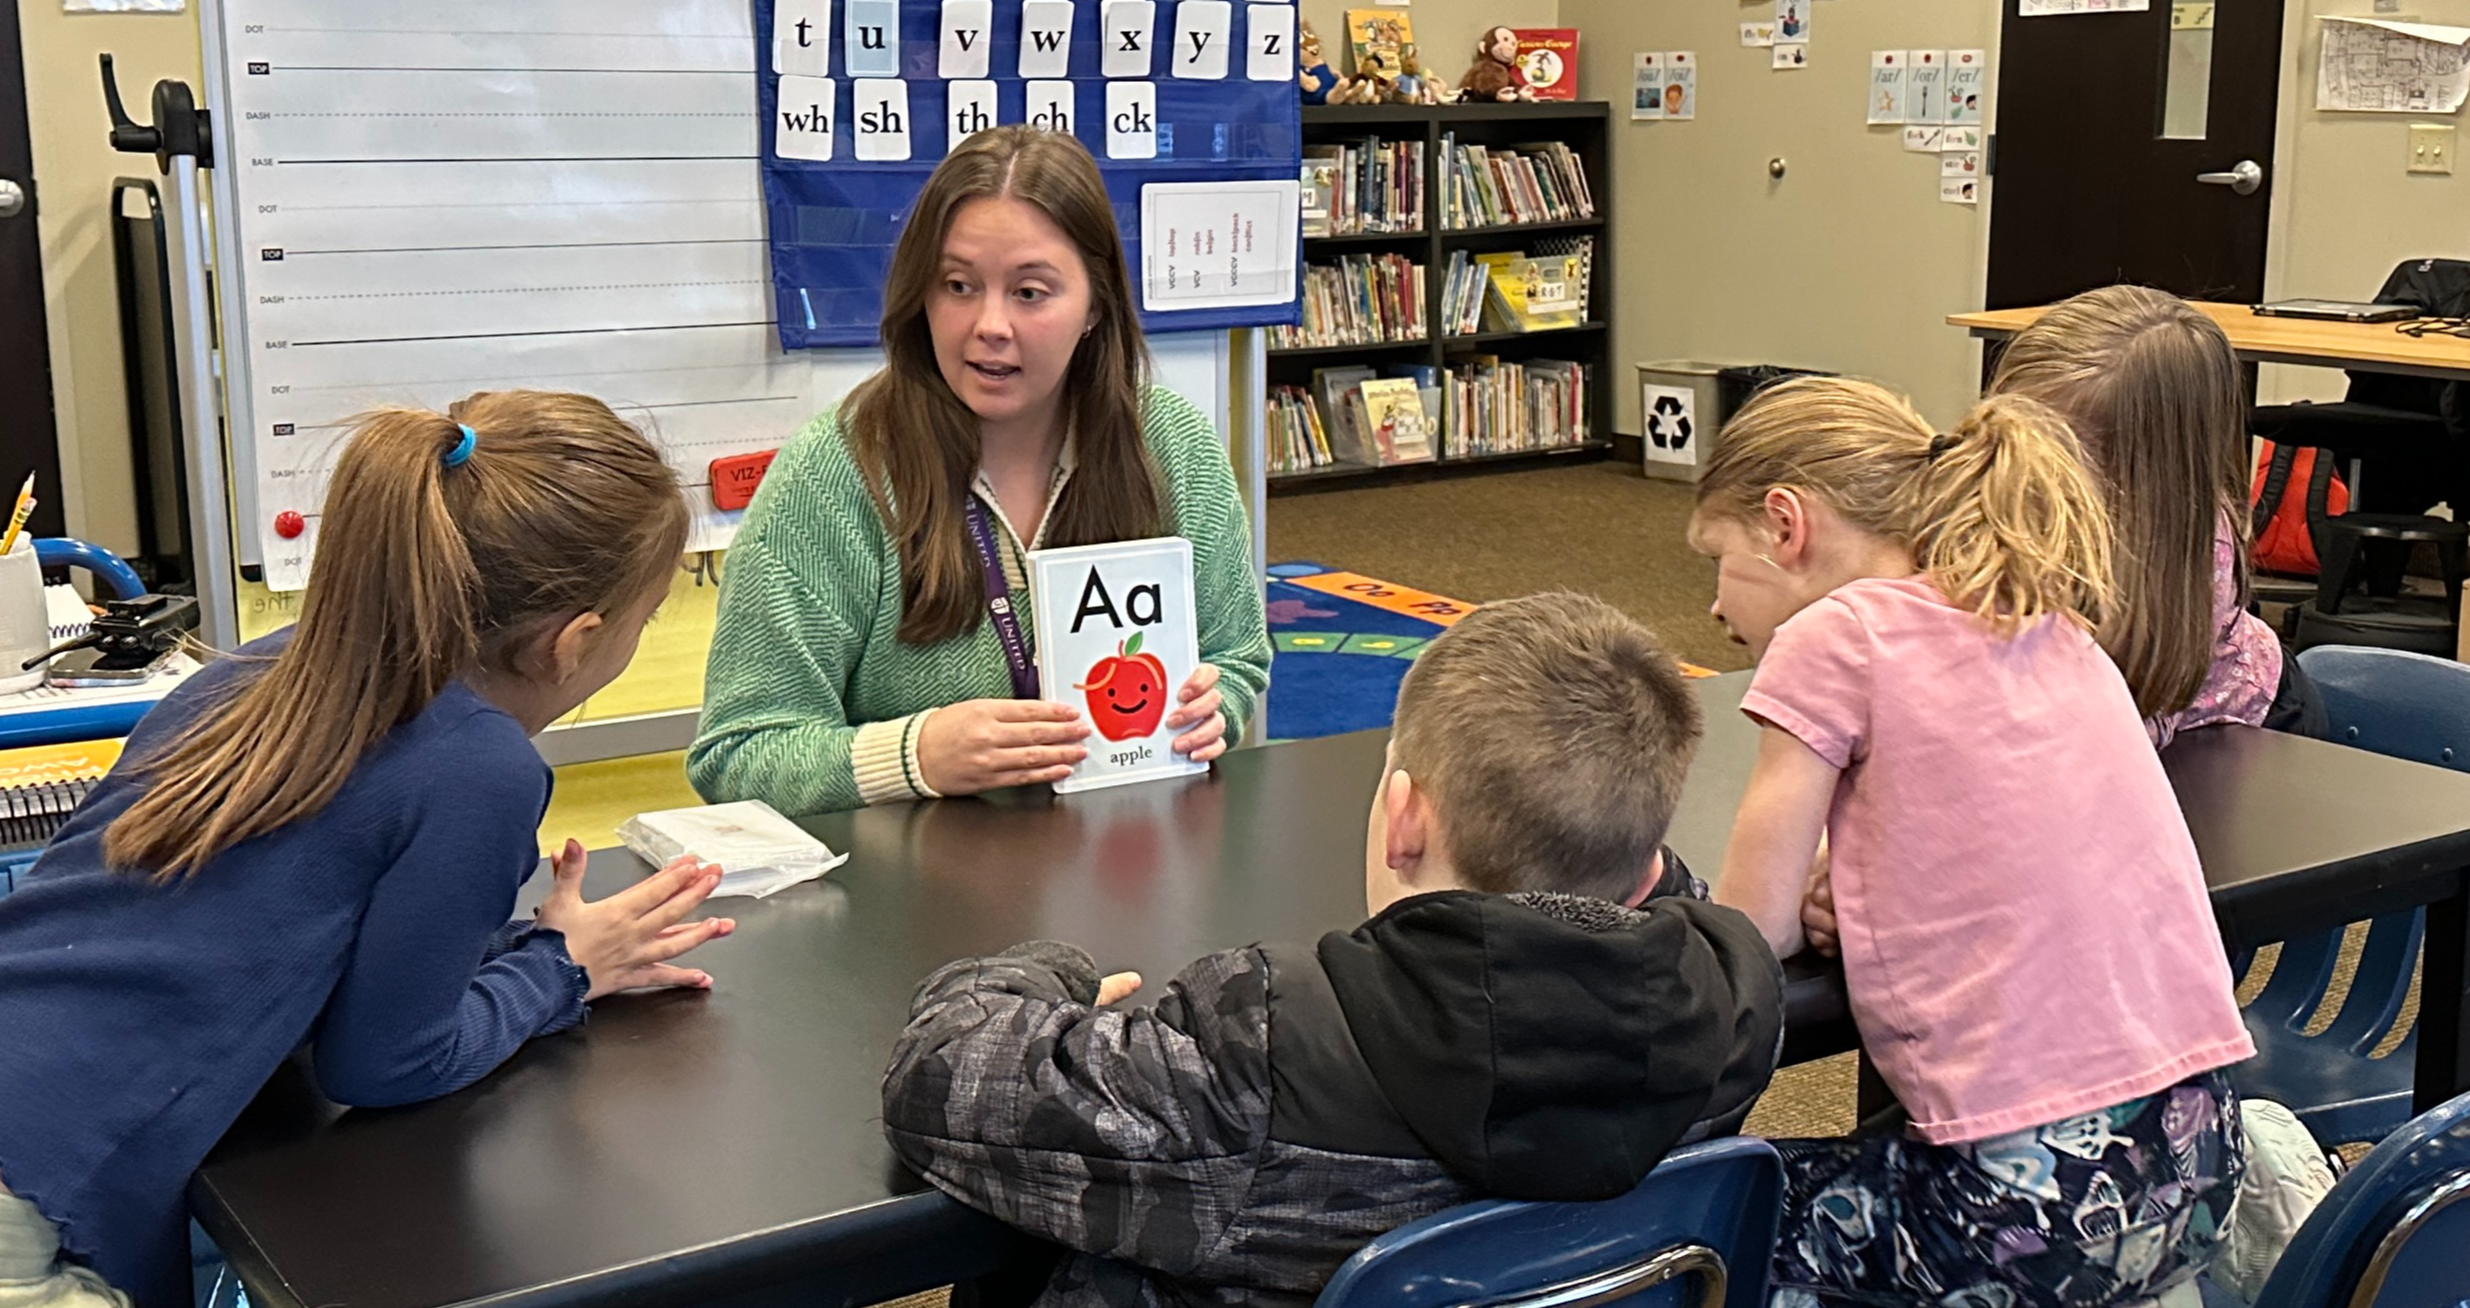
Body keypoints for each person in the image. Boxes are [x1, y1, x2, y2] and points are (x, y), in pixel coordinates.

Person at [0, 393, 736, 1308]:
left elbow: (296, 932)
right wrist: (560, 970)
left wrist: (534, 954)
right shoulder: (480, 765)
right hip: (30, 1205)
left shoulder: (263, 667)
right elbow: (390, 1063)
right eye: (647, 615)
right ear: (573, 641)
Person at [879, 593, 1783, 1307]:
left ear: (1405, 817)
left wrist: (1052, 972)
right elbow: (1679, 899)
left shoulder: (1257, 1060)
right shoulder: (1736, 994)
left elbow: (938, 1074)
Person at [1691, 378, 2253, 1307]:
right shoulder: (2041, 618)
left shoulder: (1836, 637)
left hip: (2032, 1209)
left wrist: (1802, 896)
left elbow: (1748, 931)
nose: (1714, 607)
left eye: (1715, 558)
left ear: (1785, 524)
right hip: (2201, 1163)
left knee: (1710, 1218)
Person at [692, 127, 1271, 815]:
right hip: (912, 896)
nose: (989, 324)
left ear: (1095, 305)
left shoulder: (1170, 443)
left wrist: (1215, 706)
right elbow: (738, 750)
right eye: (959, 286)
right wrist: (914, 755)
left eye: (1030, 293)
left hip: (1127, 872)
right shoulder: (836, 472)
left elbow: (1237, 656)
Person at [1989, 284, 2324, 744]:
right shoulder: (2007, 485)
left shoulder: (2195, 544)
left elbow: (2141, 716)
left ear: (2140, 462)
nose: (2019, 459)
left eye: (2053, 447)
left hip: (2235, 730)